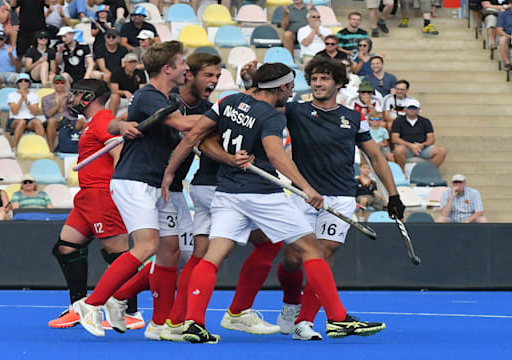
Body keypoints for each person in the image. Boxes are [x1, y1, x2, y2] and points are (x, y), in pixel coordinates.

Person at [160, 62, 387, 343]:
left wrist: (171, 171)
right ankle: (338, 320)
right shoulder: (271, 117)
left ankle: (194, 322)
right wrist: (306, 187)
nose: (292, 93)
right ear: (280, 87)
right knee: (311, 251)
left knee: (212, 258)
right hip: (263, 195)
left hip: (228, 194)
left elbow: (196, 137)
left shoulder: (228, 102)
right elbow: (277, 156)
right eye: (290, 88)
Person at [72, 41, 197, 338]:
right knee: (147, 246)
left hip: (158, 184)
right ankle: (92, 303)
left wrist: (121, 126)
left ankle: (146, 314)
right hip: (135, 181)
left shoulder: (171, 98)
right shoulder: (148, 95)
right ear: (168, 68)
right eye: (182, 64)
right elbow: (177, 124)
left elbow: (120, 124)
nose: (186, 69)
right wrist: (221, 118)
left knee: (176, 251)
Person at [274, 57, 400, 341]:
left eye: (324, 79)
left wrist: (393, 195)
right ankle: (291, 302)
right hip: (302, 194)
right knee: (293, 260)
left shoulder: (354, 117)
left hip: (341, 196)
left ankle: (304, 322)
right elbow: (262, 111)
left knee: (322, 254)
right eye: (314, 79)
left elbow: (376, 156)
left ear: (339, 83)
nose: (318, 83)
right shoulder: (295, 111)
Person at [49, 78, 141, 330]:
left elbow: (119, 156)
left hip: (102, 194)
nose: (72, 99)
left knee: (117, 254)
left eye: (76, 95)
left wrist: (120, 193)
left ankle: (129, 311)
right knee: (65, 248)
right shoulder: (93, 123)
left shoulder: (102, 122)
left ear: (88, 97)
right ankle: (79, 306)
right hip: (87, 195)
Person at [391, 99, 448, 169]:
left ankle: (429, 172)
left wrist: (422, 145)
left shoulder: (425, 121)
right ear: (405, 109)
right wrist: (411, 145)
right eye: (409, 107)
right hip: (406, 148)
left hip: (423, 148)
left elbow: (431, 139)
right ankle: (402, 172)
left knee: (442, 150)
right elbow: (394, 138)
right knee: (398, 150)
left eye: (414, 108)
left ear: (418, 109)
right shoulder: (398, 121)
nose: (411, 110)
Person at [42, 74, 87, 152]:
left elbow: (78, 111)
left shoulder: (71, 96)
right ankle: (51, 150)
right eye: (57, 82)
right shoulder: (46, 98)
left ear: (65, 84)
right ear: (53, 84)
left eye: (62, 82)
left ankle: (85, 148)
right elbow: (48, 114)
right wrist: (59, 103)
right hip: (56, 121)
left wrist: (74, 102)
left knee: (84, 121)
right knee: (51, 121)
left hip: (69, 119)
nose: (59, 84)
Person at [8, 73, 43, 150]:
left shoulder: (34, 95)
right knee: (21, 122)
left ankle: (41, 146)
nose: (23, 83)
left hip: (30, 119)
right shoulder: (12, 95)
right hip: (15, 119)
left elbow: (34, 112)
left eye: (26, 81)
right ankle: (15, 147)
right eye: (20, 81)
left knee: (38, 122)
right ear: (17, 83)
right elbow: (14, 111)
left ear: (29, 83)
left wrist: (26, 100)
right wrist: (22, 98)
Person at [0, 30, 21, 97]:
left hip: (10, 73)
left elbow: (16, 64)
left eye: (1, 39)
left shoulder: (11, 48)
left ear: (4, 39)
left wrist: (10, 54)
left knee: (21, 79)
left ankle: (18, 98)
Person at [496, 0, 512, 70]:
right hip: (508, 36)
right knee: (502, 39)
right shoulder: (503, 14)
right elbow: (499, 30)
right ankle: (507, 63)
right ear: (510, 4)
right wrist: (510, 37)